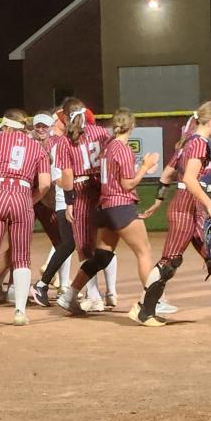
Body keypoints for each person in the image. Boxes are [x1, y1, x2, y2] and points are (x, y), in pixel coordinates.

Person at [131, 101, 211, 326]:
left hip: (193, 208)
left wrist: (159, 200)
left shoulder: (189, 143)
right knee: (169, 262)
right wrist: (210, 205)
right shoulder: (198, 144)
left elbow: (167, 173)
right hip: (185, 210)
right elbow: (190, 179)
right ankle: (143, 310)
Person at [57, 108, 159, 314]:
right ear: (132, 126)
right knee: (144, 252)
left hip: (105, 207)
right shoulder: (122, 148)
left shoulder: (109, 146)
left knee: (102, 257)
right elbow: (127, 184)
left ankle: (69, 296)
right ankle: (152, 301)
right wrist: (145, 167)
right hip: (120, 205)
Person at [0, 109, 52, 327]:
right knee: (22, 256)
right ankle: (19, 311)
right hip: (22, 195)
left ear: (7, 126)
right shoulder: (38, 147)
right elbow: (45, 183)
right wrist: (30, 200)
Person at [60, 97, 116, 312]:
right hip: (101, 189)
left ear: (66, 116)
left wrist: (69, 202)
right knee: (106, 243)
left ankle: (94, 296)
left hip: (81, 192)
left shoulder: (65, 140)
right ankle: (108, 292)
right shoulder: (100, 132)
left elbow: (67, 174)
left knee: (86, 248)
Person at [32, 111, 75, 306]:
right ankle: (4, 285)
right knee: (18, 243)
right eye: (38, 126)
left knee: (64, 243)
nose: (41, 129)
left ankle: (64, 285)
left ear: (52, 127)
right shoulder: (29, 144)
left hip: (51, 201)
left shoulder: (58, 142)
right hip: (36, 199)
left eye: (44, 126)